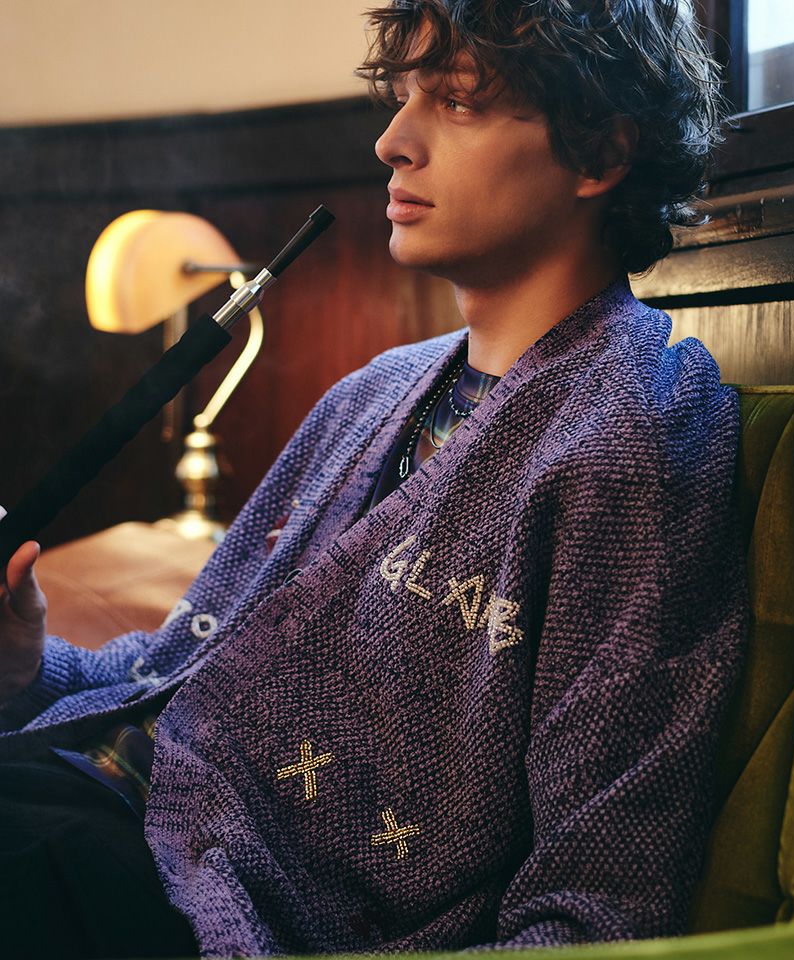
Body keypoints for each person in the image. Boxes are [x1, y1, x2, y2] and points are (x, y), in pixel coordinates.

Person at [0, 2, 749, 958]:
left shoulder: (633, 436)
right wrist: (29, 665)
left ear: (601, 151)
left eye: (457, 101)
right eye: (402, 97)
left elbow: (598, 902)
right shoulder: (374, 391)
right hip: (83, 792)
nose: (393, 140)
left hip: (187, 895)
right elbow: (182, 668)